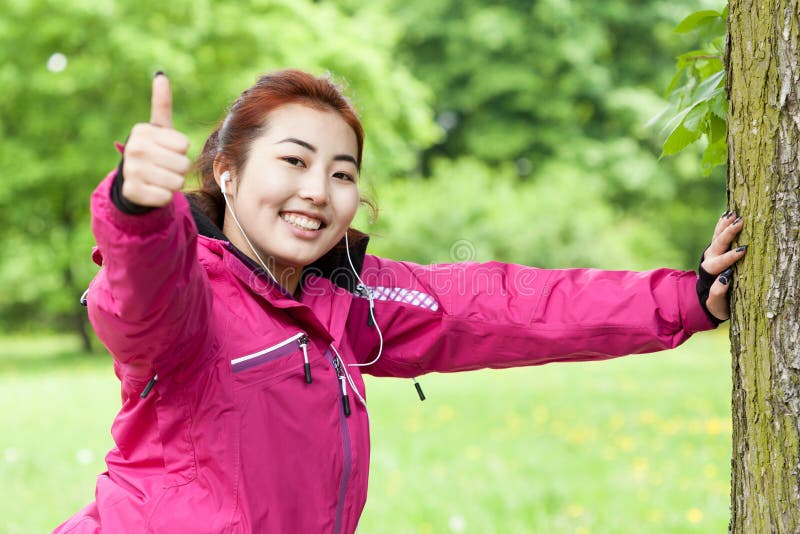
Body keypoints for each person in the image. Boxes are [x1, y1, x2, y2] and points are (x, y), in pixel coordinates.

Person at [55, 69, 746, 533]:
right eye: (293, 161)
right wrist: (137, 209)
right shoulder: (189, 295)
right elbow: (137, 295)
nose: (319, 191)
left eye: (342, 171)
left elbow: (504, 306)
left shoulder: (346, 296)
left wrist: (686, 297)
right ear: (228, 174)